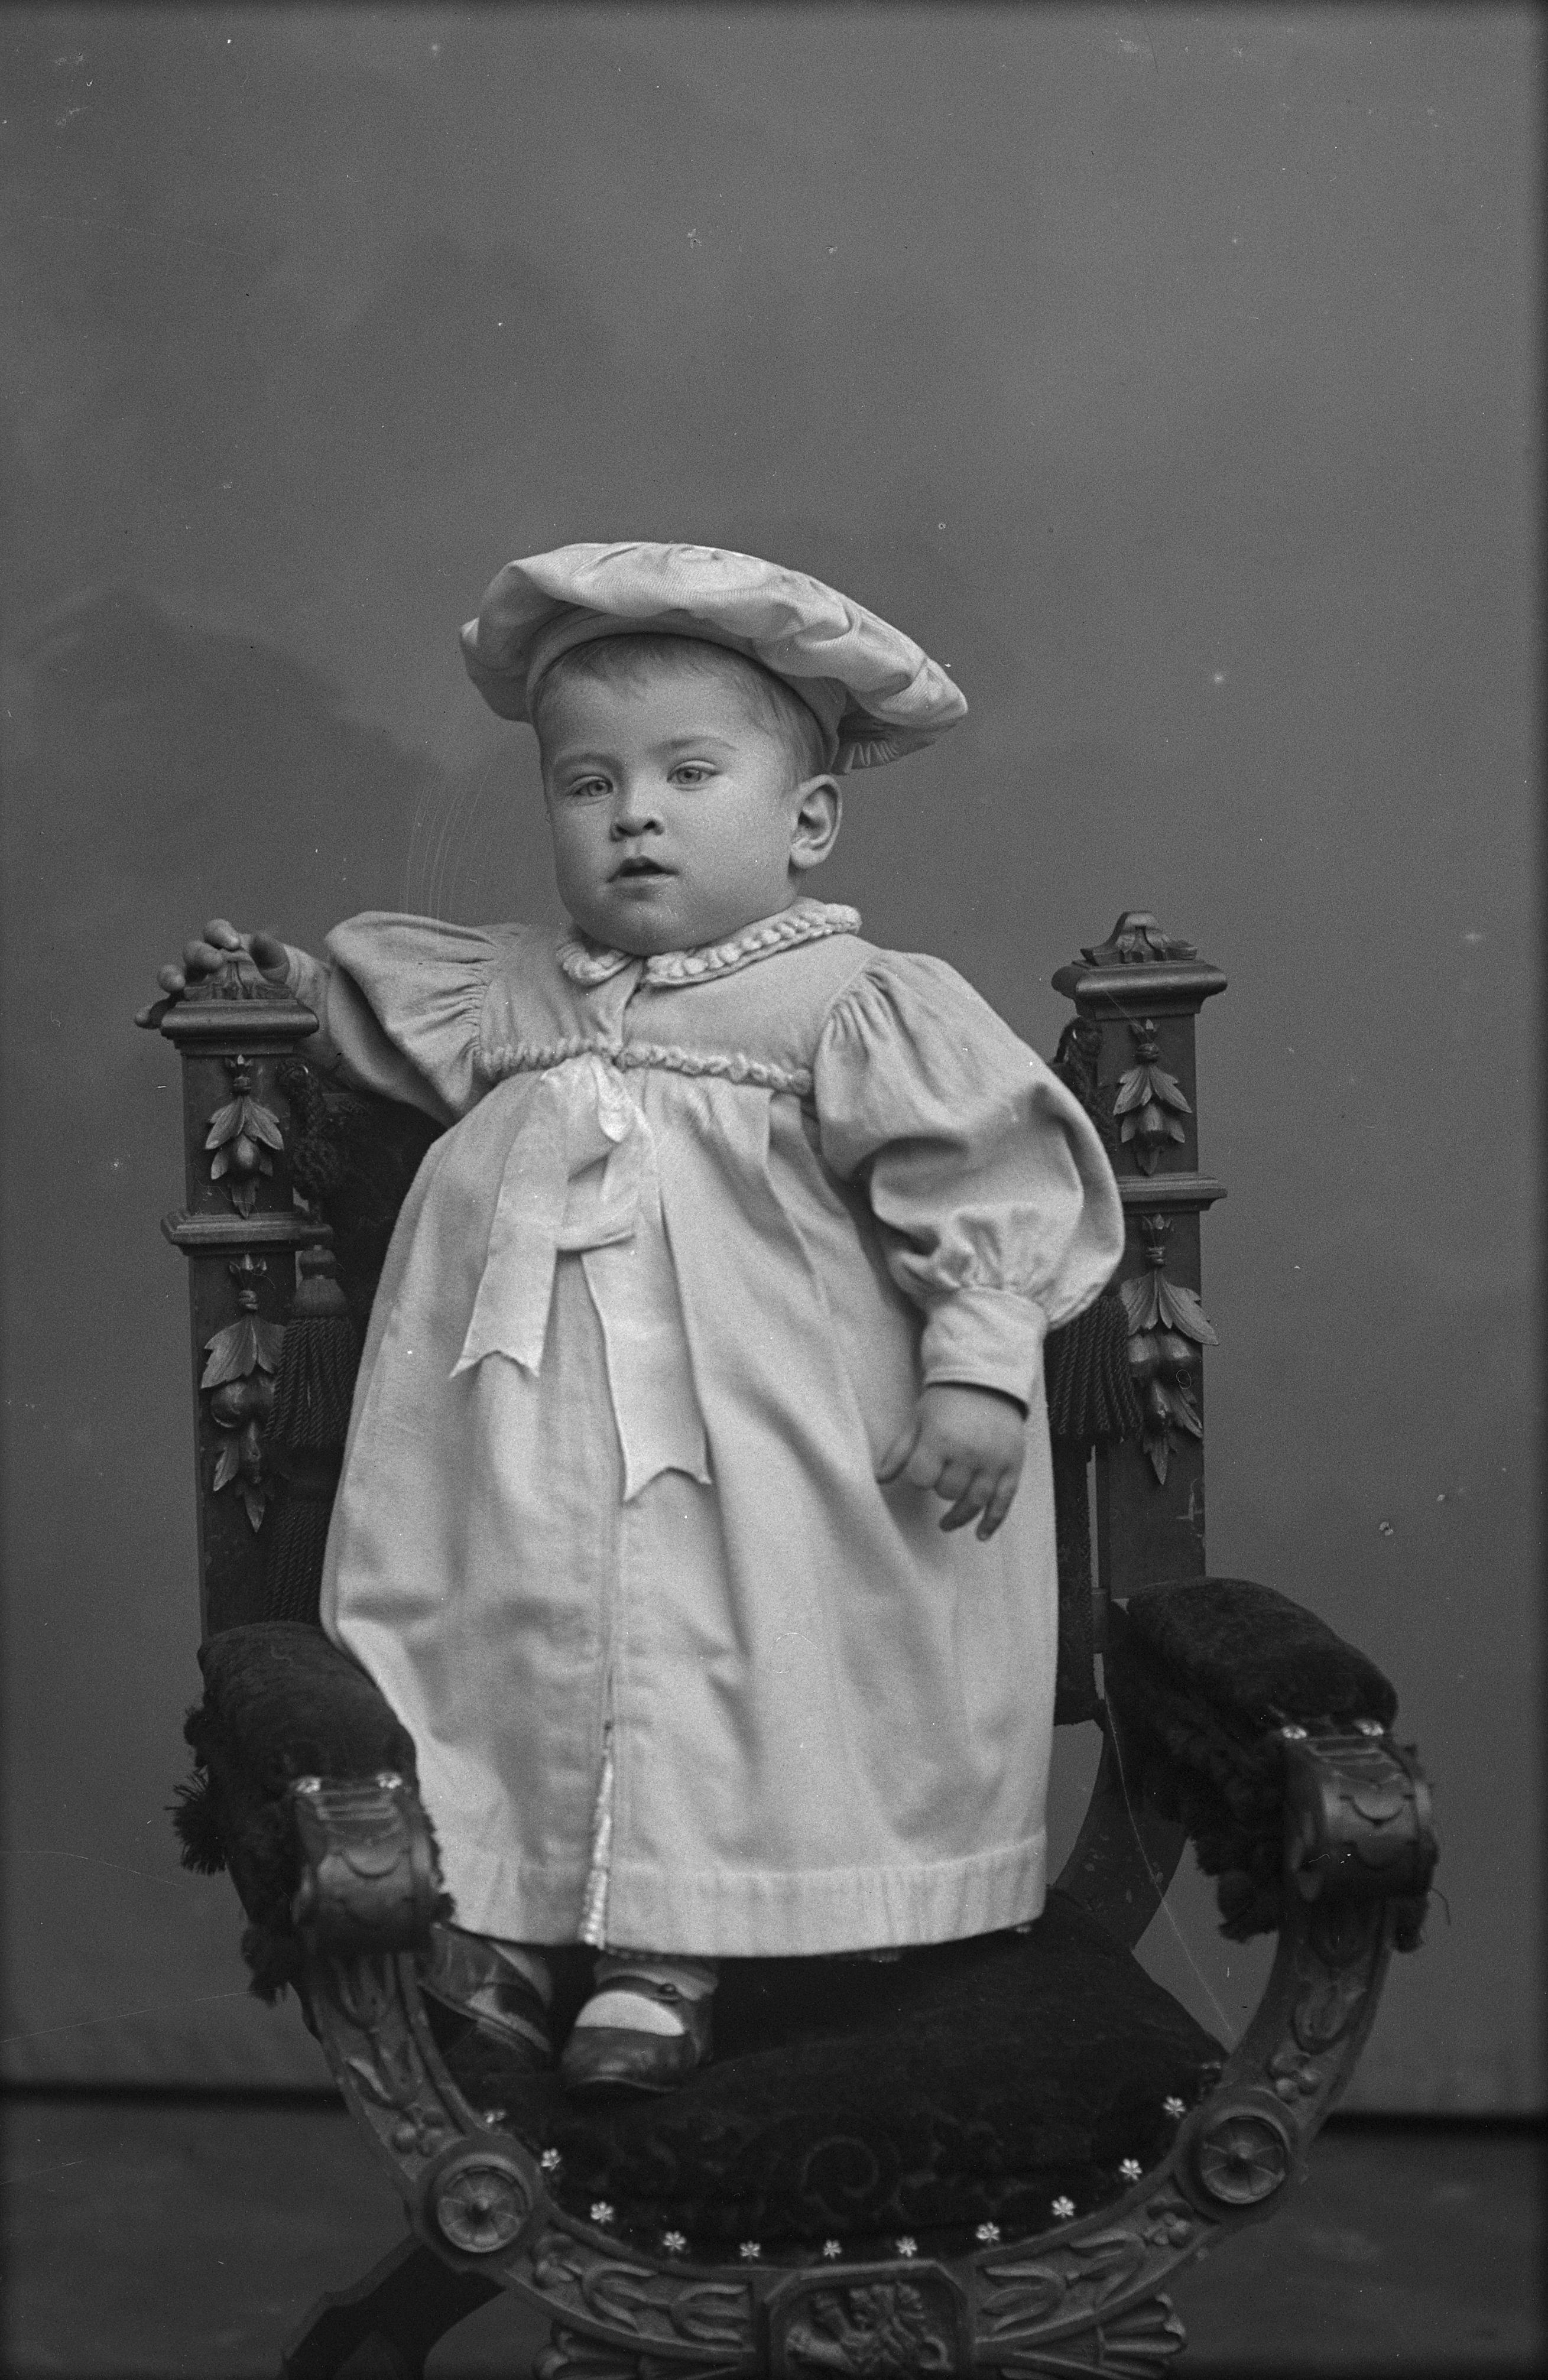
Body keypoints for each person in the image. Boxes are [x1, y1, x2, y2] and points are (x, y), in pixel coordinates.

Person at [140, 542, 1124, 2096]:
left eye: (688, 774)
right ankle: (512, 1930)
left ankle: (674, 1950)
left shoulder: (852, 1002)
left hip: (771, 1456)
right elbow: (370, 1035)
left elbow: (983, 1177)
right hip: (522, 1450)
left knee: (729, 1666)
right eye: (587, 784)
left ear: (808, 820)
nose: (634, 815)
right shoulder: (510, 992)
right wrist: (284, 988)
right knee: (510, 1651)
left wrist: (981, 1367)